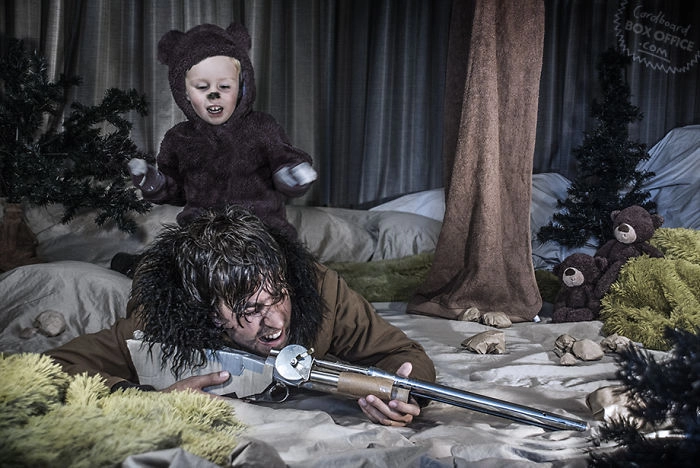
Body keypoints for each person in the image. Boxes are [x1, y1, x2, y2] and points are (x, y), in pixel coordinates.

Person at [47, 206, 436, 427]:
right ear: (210, 313)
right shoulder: (156, 322)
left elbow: (404, 355)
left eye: (278, 296)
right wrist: (145, 399)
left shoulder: (321, 290)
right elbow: (51, 369)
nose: (277, 322)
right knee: (140, 267)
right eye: (251, 310)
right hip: (158, 276)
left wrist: (404, 394)